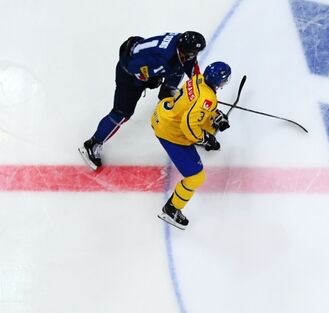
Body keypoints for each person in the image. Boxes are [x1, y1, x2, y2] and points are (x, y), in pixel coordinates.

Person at [80, 31, 206, 171]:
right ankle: (93, 144)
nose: (195, 55)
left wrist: (201, 87)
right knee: (121, 114)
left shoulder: (179, 44)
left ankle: (167, 93)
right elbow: (135, 67)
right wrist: (150, 79)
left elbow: (189, 63)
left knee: (178, 68)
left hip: (142, 56)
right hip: (129, 74)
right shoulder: (164, 60)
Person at [150, 61, 232, 230]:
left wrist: (216, 115)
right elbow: (188, 126)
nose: (225, 83)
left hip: (164, 114)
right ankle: (171, 209)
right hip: (169, 132)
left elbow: (195, 104)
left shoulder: (198, 79)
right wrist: (206, 139)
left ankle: (205, 134)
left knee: (206, 125)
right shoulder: (207, 99)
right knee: (196, 177)